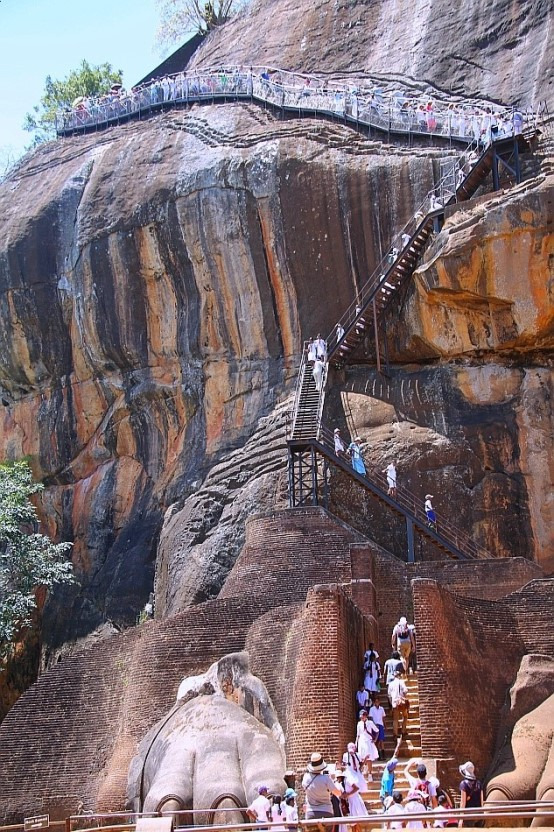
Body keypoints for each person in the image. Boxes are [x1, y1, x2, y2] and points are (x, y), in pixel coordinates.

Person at [302, 753, 343, 819]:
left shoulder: (306, 777)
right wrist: (333, 781)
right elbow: (338, 793)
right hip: (326, 811)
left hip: (311, 812)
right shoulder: (326, 779)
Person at [342, 744, 369, 820]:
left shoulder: (358, 755)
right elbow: (344, 764)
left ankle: (359, 800)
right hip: (350, 772)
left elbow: (360, 765)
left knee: (360, 785)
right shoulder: (345, 755)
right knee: (354, 785)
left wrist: (365, 760)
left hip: (356, 771)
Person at [458, 761, 483, 827]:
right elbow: (481, 801)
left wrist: (461, 818)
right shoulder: (479, 783)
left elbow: (463, 803)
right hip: (478, 814)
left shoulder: (463, 784)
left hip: (468, 815)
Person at [355, 710, 379, 779]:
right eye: (361, 717)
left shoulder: (370, 723)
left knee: (369, 758)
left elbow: (377, 731)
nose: (362, 718)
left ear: (366, 716)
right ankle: (365, 769)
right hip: (361, 742)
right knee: (362, 758)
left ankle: (370, 774)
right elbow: (358, 735)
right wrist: (356, 743)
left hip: (368, 742)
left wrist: (375, 740)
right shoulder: (359, 724)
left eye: (363, 716)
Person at [388, 671, 409, 739]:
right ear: (399, 676)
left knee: (395, 719)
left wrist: (391, 703)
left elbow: (389, 695)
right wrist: (404, 697)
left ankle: (395, 734)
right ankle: (403, 731)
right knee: (405, 716)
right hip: (401, 703)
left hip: (395, 703)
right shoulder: (401, 682)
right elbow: (405, 690)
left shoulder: (390, 684)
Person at [370, 696, 386, 760]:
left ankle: (383, 755)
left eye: (378, 701)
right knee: (377, 741)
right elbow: (371, 717)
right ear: (374, 702)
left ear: (379, 702)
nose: (377, 703)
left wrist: (385, 725)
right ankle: (378, 756)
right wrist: (373, 725)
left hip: (381, 725)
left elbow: (383, 717)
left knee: (381, 740)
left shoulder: (381, 709)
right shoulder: (372, 709)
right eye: (376, 702)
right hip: (375, 725)